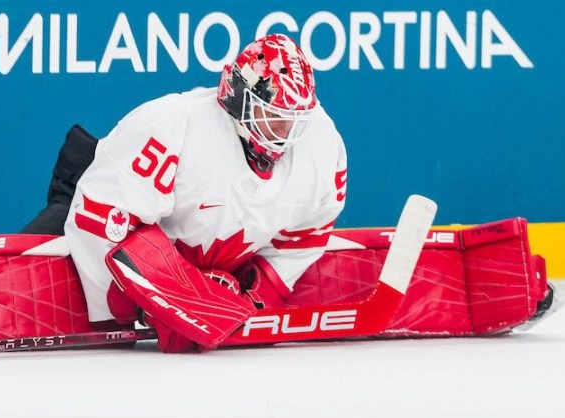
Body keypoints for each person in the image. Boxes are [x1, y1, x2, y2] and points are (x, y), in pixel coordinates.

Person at [55, 33, 348, 353]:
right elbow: (101, 215)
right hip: (87, 229)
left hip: (203, 265)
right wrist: (144, 306)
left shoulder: (322, 143)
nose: (285, 132)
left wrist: (255, 297)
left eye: (293, 119)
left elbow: (307, 232)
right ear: (241, 97)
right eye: (274, 116)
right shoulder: (173, 125)